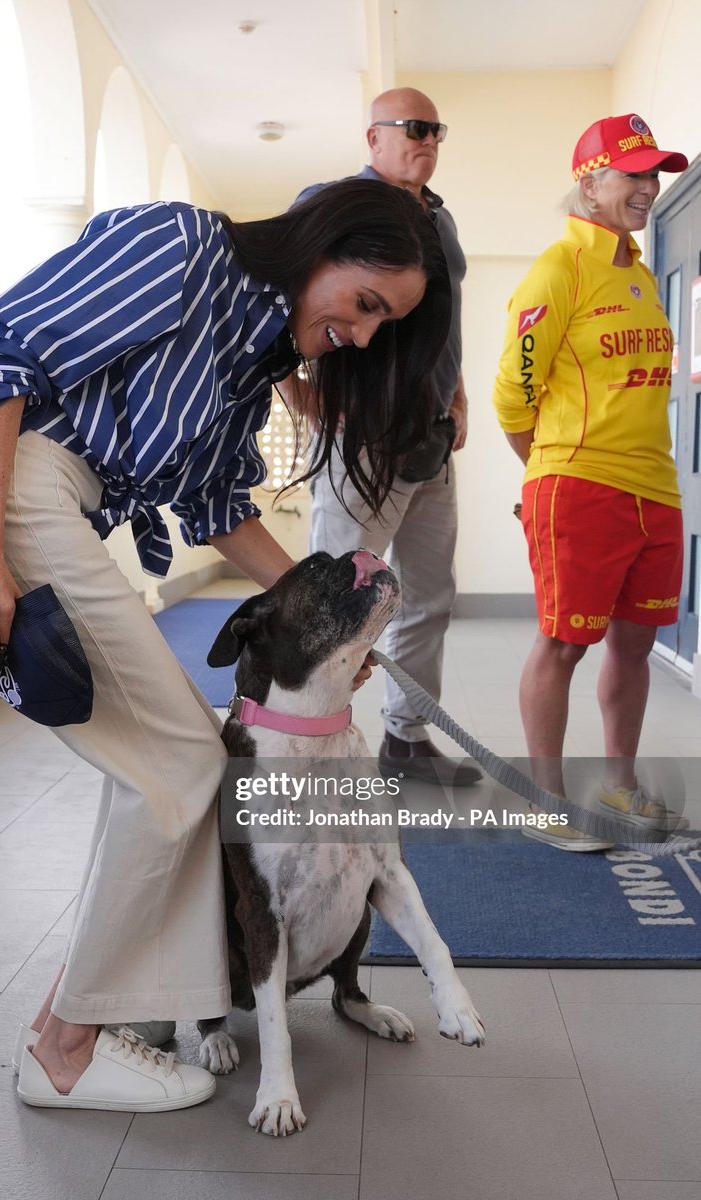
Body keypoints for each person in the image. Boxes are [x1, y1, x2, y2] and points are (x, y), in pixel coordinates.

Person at [0, 179, 452, 1111]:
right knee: (184, 759)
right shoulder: (184, 249)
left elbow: (215, 510)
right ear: (324, 244)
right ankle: (65, 1052)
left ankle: (88, 1015)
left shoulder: (250, 358)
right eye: (366, 303)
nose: (363, 335)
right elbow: (5, 361)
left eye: (383, 324)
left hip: (50, 507)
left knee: (164, 762)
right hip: (6, 491)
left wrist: (334, 617)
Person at [492, 114, 688, 851]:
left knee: (634, 645)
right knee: (563, 644)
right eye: (631, 174)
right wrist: (550, 476)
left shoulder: (638, 272)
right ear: (590, 181)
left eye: (654, 174)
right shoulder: (559, 268)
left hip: (656, 490)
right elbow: (514, 395)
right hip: (581, 487)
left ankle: (620, 785)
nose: (647, 187)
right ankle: (545, 801)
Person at [295, 87, 482, 788]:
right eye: (412, 127)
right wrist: (299, 395)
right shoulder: (336, 202)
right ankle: (308, 752)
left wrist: (456, 393)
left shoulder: (442, 219)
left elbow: (447, 322)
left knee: (430, 597)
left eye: (436, 128)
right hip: (362, 441)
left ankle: (405, 741)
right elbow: (280, 292)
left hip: (431, 442)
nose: (427, 139)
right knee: (338, 602)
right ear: (372, 137)